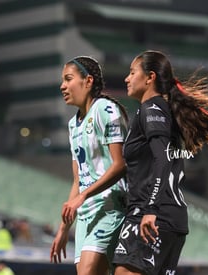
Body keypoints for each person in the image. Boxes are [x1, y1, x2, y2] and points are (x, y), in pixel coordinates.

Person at [113, 50, 208, 275]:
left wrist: (150, 209)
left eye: (132, 72)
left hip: (152, 216)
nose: (127, 78)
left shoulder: (151, 109)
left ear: (150, 77)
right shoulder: (164, 112)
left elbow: (162, 157)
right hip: (171, 219)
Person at [50, 56, 129, 275]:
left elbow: (120, 165)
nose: (62, 86)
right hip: (85, 215)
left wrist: (83, 196)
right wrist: (63, 230)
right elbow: (79, 180)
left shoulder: (105, 109)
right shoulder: (72, 125)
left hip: (109, 206)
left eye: (68, 79)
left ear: (88, 81)